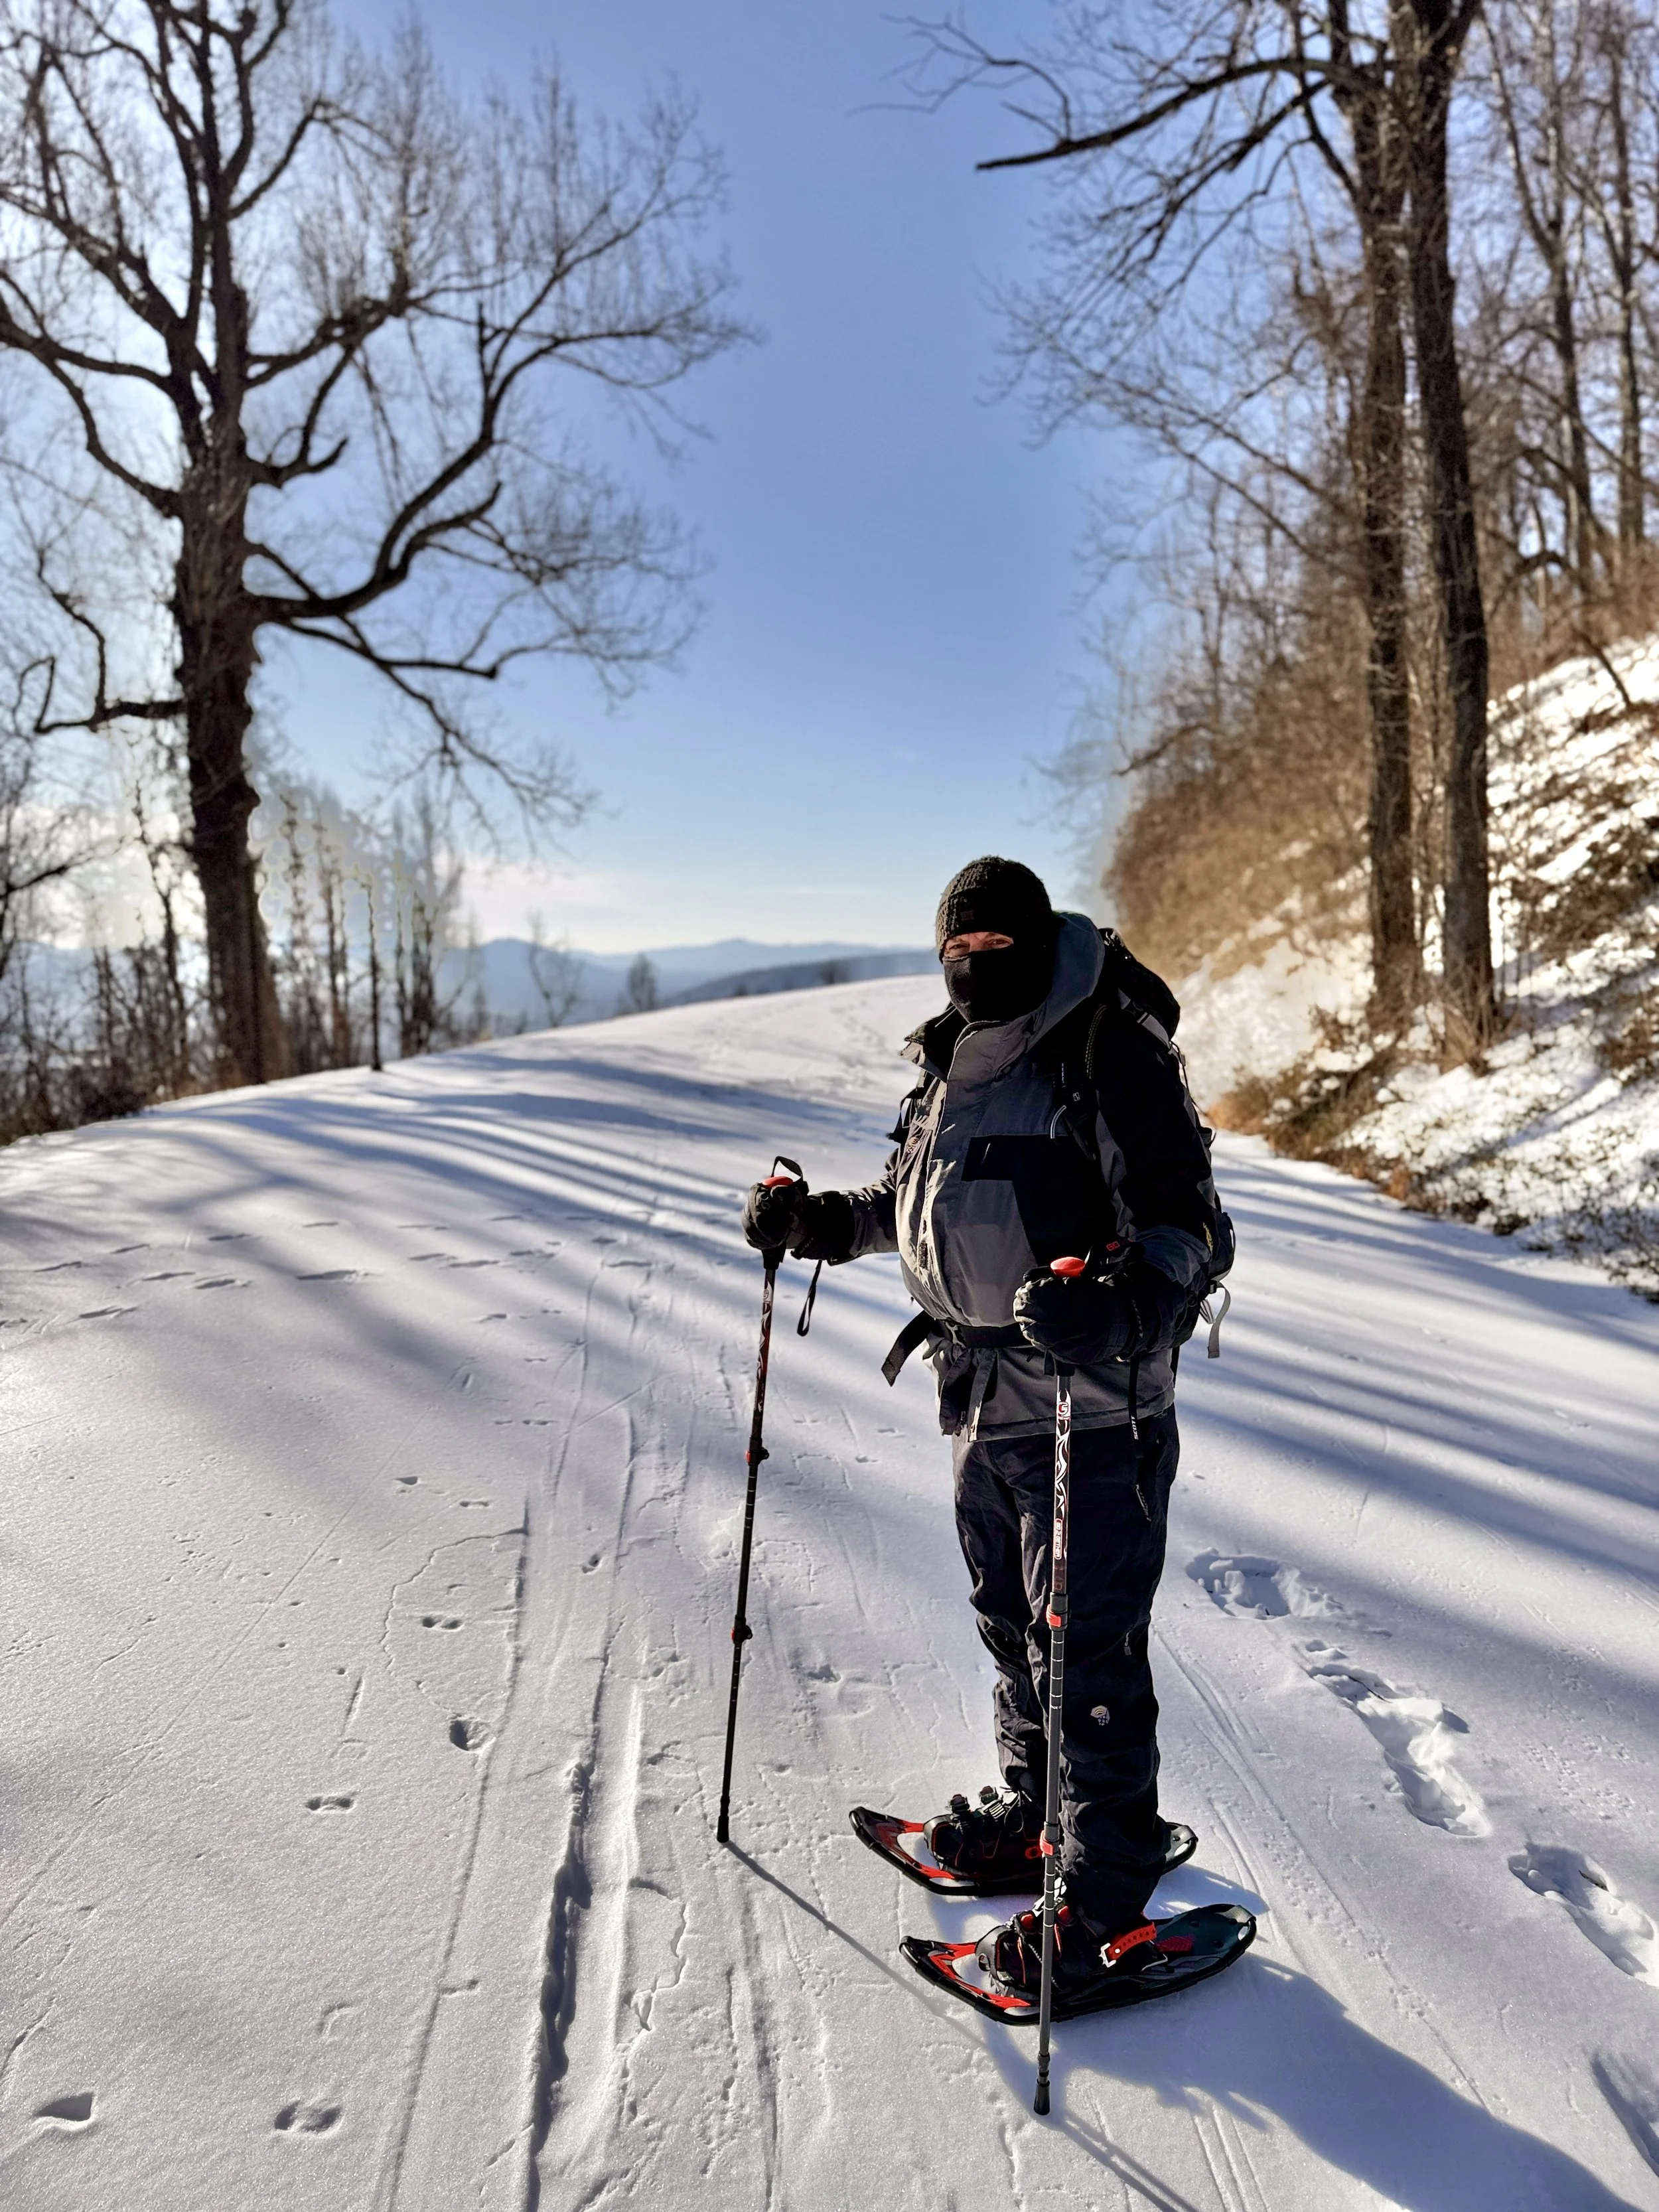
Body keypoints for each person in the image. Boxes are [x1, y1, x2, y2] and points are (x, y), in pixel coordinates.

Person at [741, 855, 1230, 2010]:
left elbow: (1192, 1226)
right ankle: (1040, 1814)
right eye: (955, 950)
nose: (972, 966)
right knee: (1012, 1627)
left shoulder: (1108, 1051)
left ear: (1038, 942)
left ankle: (1103, 1907)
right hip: (980, 1398)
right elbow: (917, 1202)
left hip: (1090, 1409)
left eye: (994, 947)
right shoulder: (949, 1061)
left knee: (1085, 1654)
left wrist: (1119, 1306)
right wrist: (819, 1224)